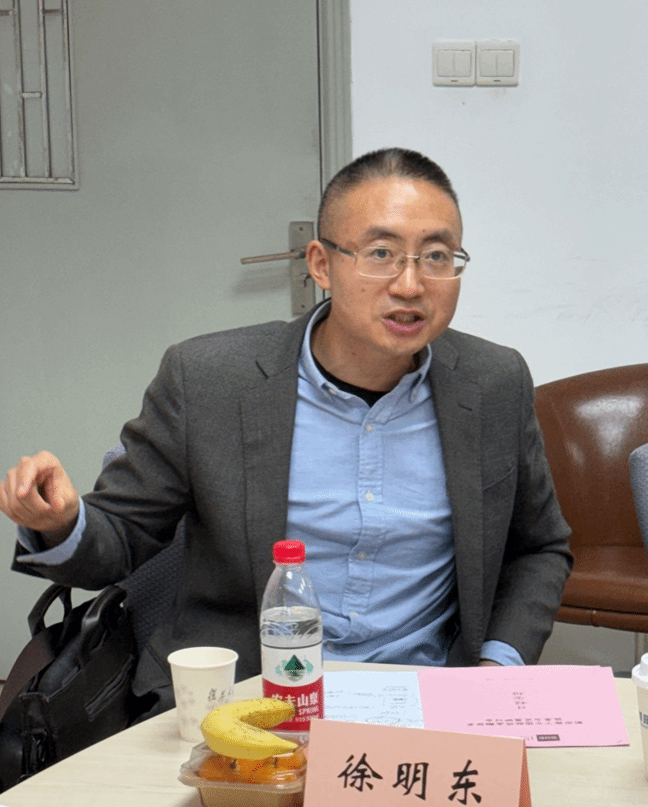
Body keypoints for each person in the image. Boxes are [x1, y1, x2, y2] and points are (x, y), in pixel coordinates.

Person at [0, 148, 572, 715]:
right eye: (380, 253)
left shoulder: (493, 383)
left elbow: (538, 547)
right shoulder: (209, 381)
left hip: (424, 697)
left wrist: (497, 668)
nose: (409, 284)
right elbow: (122, 535)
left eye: (437, 256)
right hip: (243, 697)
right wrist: (58, 523)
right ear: (321, 264)